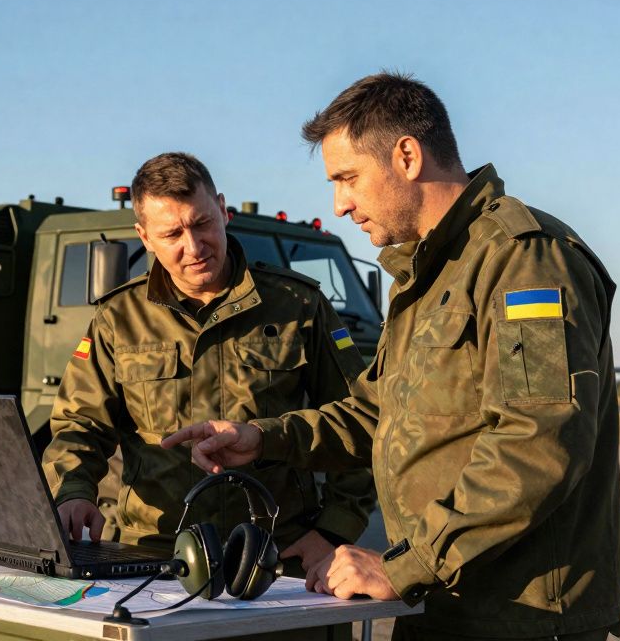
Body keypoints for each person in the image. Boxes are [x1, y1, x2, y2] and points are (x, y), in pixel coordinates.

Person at [162, 73, 620, 640]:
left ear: (406, 156)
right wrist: (263, 437)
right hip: (441, 603)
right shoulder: (427, 276)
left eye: (348, 178)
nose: (340, 204)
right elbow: (377, 413)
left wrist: (408, 565)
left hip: (518, 616)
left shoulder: (524, 261)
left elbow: (540, 441)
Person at [42, 152, 376, 581]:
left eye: (202, 223)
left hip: (275, 556)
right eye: (172, 234)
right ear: (144, 236)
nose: (194, 247)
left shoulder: (298, 306)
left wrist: (333, 531)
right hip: (154, 557)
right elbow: (79, 424)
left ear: (222, 208)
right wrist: (73, 491)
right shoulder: (119, 318)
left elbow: (361, 423)